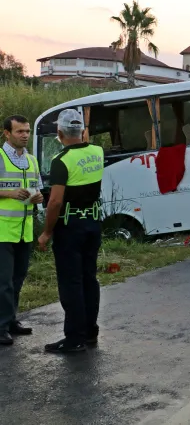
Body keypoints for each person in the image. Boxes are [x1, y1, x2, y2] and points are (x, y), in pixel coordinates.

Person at [38, 109, 104, 354]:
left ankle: (74, 338)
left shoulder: (61, 161)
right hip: (93, 225)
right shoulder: (97, 152)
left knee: (71, 282)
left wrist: (46, 232)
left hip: (71, 228)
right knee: (89, 278)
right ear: (82, 131)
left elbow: (54, 202)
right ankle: (89, 332)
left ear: (59, 132)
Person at [0, 115, 44, 346]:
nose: (25, 135)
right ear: (7, 133)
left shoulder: (32, 160)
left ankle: (11, 320)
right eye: (20, 132)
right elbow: (8, 190)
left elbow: (38, 188)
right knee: (3, 282)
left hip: (24, 230)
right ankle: (1, 326)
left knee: (17, 279)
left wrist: (38, 197)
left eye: (27, 131)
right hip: (2, 230)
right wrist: (9, 193)